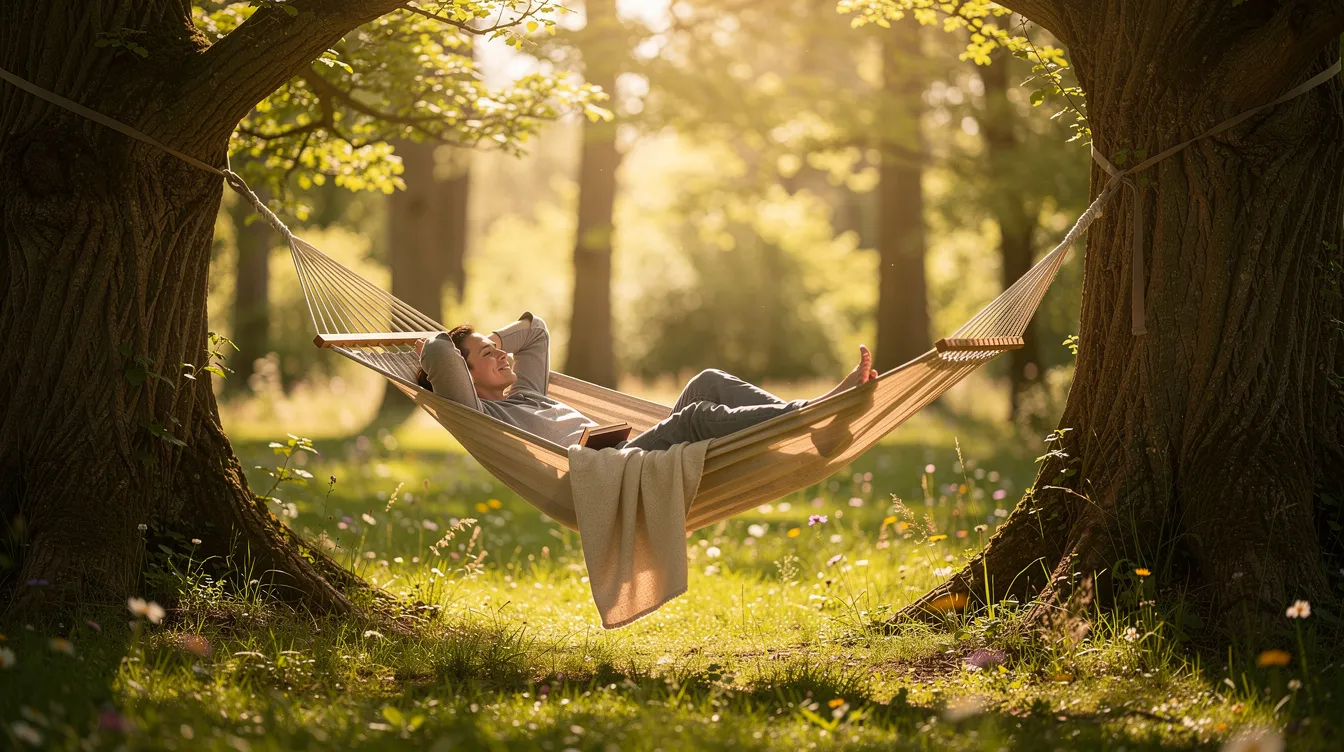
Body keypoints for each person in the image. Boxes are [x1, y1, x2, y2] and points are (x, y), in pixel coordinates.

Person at [415, 312, 876, 451]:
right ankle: (814, 411)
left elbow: (535, 331)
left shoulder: (527, 392)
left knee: (707, 381)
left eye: (498, 348)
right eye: (486, 355)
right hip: (611, 473)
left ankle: (812, 427)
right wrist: (447, 346)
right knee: (696, 417)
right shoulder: (482, 415)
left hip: (636, 448)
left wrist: (488, 337)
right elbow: (437, 349)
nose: (502, 353)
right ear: (465, 377)